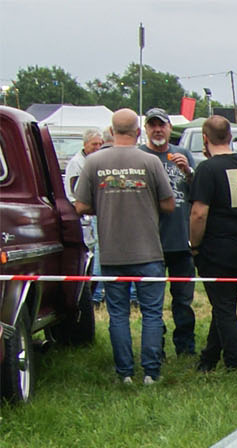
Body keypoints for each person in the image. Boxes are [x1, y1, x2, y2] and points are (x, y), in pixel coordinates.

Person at [72, 108, 175, 385]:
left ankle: (125, 373)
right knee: (152, 312)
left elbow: (80, 205)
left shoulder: (93, 162)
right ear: (138, 131)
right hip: (148, 250)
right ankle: (151, 373)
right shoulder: (150, 161)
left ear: (112, 130)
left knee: (117, 314)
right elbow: (169, 203)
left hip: (112, 252)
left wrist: (105, 205)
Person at [188, 115, 237, 373]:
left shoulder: (207, 170)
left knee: (224, 306)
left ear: (205, 139)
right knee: (225, 304)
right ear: (230, 136)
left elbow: (199, 213)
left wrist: (194, 245)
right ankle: (208, 359)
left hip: (218, 248)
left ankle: (235, 363)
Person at [142, 107, 198, 356]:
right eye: (152, 125)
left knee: (183, 300)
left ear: (168, 128)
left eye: (161, 125)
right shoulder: (140, 156)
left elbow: (199, 192)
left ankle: (185, 347)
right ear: (145, 129)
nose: (157, 129)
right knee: (152, 302)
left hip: (180, 240)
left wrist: (188, 171)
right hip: (149, 242)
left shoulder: (182, 154)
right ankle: (157, 348)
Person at [64, 129, 105, 303]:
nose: (97, 147)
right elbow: (74, 193)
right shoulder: (77, 163)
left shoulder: (98, 161)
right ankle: (94, 295)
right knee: (95, 254)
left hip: (97, 211)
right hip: (85, 214)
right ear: (85, 144)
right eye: (94, 144)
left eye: (100, 144)